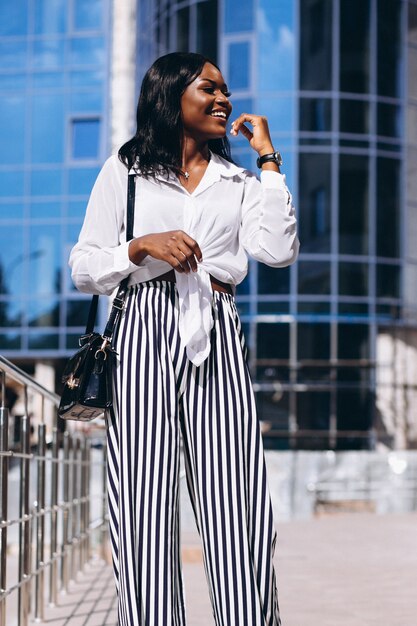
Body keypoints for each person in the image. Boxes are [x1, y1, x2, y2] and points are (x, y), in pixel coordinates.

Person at [69, 52, 299, 626]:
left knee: (239, 508)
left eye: (225, 90)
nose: (224, 99)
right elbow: (83, 266)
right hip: (141, 329)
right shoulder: (123, 170)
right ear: (172, 96)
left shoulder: (239, 180)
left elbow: (276, 250)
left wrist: (268, 159)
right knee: (143, 508)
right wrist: (140, 246)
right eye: (209, 89)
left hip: (216, 328)